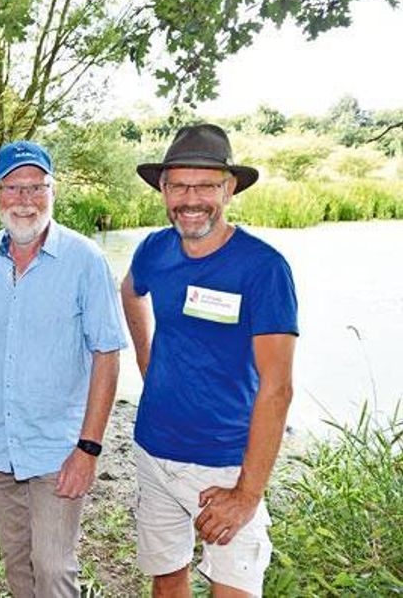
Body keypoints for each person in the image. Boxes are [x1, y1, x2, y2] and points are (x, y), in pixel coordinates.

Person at [120, 123, 298, 597]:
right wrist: (147, 362)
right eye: (178, 185)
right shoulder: (155, 248)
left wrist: (247, 494)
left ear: (229, 188)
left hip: (224, 463)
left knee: (234, 588)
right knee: (166, 577)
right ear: (162, 189)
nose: (190, 198)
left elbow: (277, 388)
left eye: (204, 185)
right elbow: (130, 293)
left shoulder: (264, 268)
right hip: (153, 450)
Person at [0, 140, 127, 597]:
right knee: (17, 562)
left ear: (53, 191)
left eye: (36, 188)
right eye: (13, 188)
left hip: (58, 450)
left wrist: (88, 449)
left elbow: (107, 355)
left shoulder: (86, 260)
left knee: (52, 568)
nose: (24, 201)